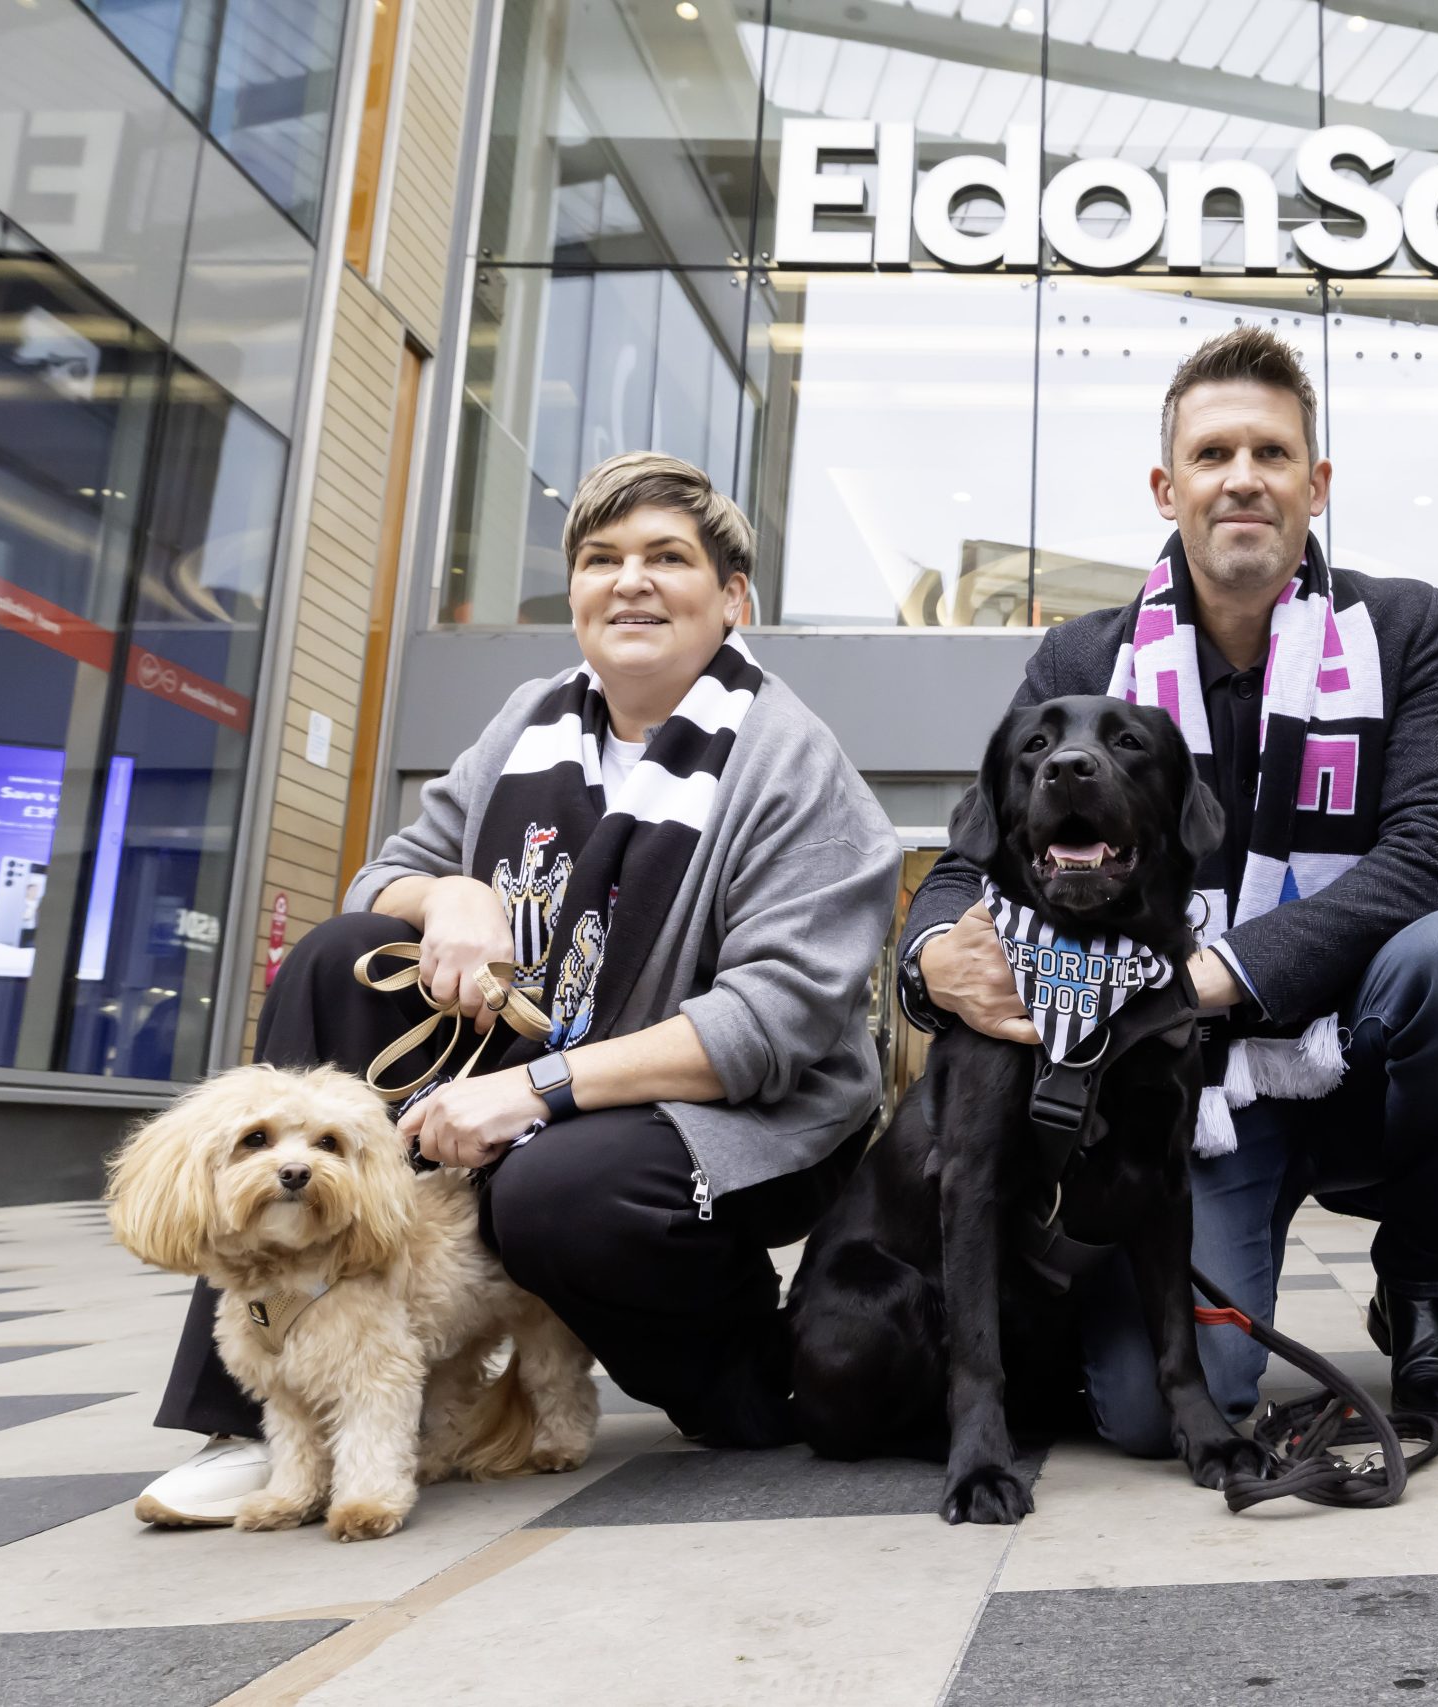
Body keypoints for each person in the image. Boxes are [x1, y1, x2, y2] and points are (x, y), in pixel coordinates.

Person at [134, 452, 901, 1524]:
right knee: (337, 952)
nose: (628, 581)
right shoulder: (534, 719)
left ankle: (735, 1365)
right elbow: (378, 876)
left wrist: (536, 1090)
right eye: (600, 559)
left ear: (731, 599)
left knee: (555, 1196)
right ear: (576, 592)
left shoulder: (790, 763)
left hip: (734, 1119)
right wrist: (450, 895)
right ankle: (249, 1410)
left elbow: (767, 1025)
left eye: (665, 558)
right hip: (519, 1067)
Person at [898, 326, 1438, 1442]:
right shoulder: (1080, 663)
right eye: (1211, 455)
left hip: (1363, 1056)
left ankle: (1423, 1288)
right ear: (1168, 486)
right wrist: (931, 959)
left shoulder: (1401, 628)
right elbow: (972, 852)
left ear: (1316, 483)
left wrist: (1212, 975)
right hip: (1181, 1101)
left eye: (1271, 452)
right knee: (1157, 1415)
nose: (1242, 477)